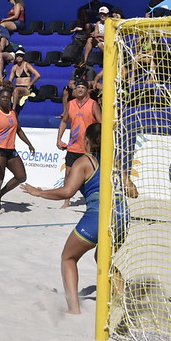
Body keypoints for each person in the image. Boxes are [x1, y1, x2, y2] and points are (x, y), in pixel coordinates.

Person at [22, 123, 138, 314]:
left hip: (98, 216)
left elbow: (68, 191)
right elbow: (133, 193)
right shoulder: (114, 162)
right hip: (122, 217)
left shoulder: (85, 162)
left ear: (88, 141)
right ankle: (125, 302)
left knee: (68, 257)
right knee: (103, 257)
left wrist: (39, 193)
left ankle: (74, 310)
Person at [0, 86, 35, 216]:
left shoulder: (13, 113)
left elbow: (19, 130)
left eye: (8, 98)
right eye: (3, 97)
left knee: (21, 176)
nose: (5, 99)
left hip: (10, 149)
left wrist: (29, 144)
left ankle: (1, 194)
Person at [56, 80, 101, 208]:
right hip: (73, 145)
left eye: (82, 87)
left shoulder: (93, 104)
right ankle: (66, 201)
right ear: (75, 90)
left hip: (88, 147)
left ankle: (91, 199)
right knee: (68, 174)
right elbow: (64, 121)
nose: (80, 89)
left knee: (90, 176)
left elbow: (101, 123)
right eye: (78, 87)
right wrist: (59, 138)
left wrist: (96, 141)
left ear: (87, 90)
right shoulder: (70, 104)